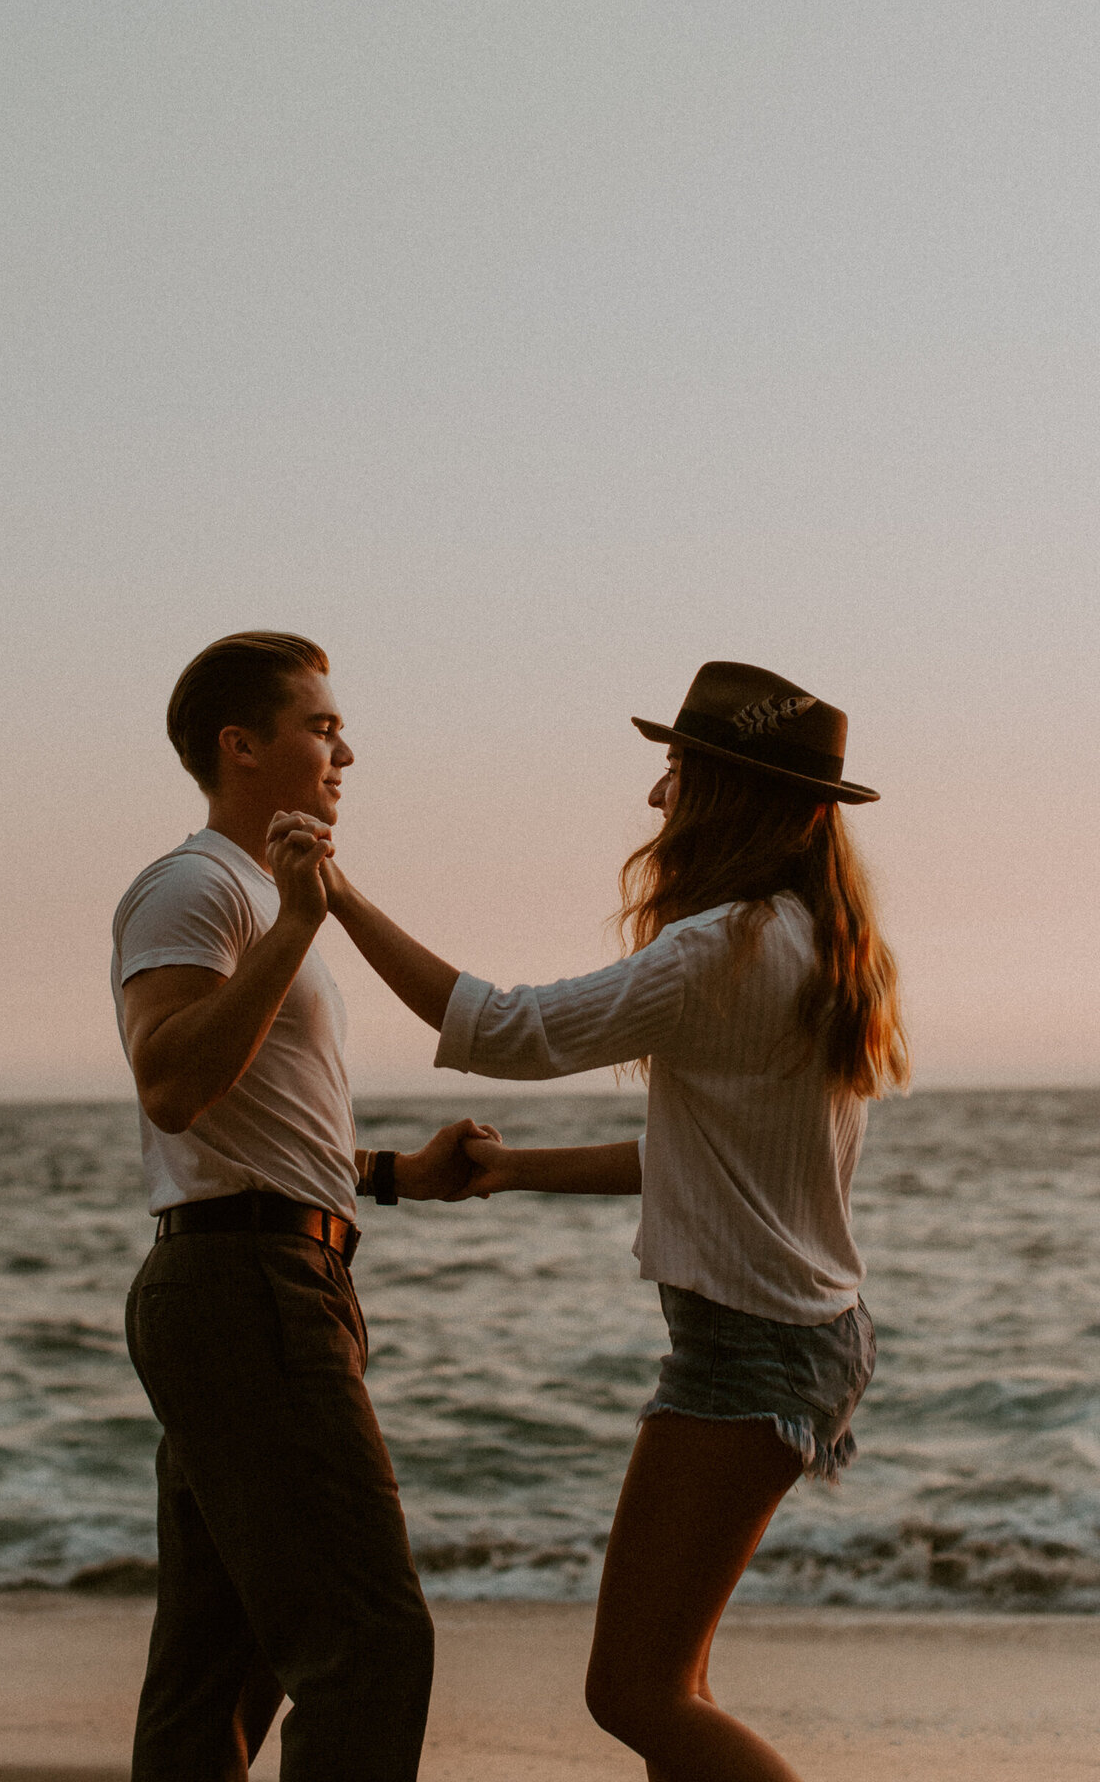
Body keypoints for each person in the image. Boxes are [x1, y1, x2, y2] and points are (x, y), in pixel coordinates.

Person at [283, 660, 909, 1782]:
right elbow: (701, 1165)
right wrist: (514, 1173)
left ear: (729, 796)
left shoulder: (718, 950)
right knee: (680, 1691)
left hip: (751, 1350)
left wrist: (339, 897)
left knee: (636, 1693)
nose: (659, 801)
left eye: (677, 773)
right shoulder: (816, 944)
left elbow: (507, 1031)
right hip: (809, 1338)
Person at [111, 630, 495, 1782]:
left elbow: (261, 1132)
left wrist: (393, 1176)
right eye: (320, 727)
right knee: (370, 1642)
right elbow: (174, 1084)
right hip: (247, 1293)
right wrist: (294, 924)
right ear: (242, 746)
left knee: (219, 1670)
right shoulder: (196, 887)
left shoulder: (255, 895)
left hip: (267, 1277)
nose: (346, 752)